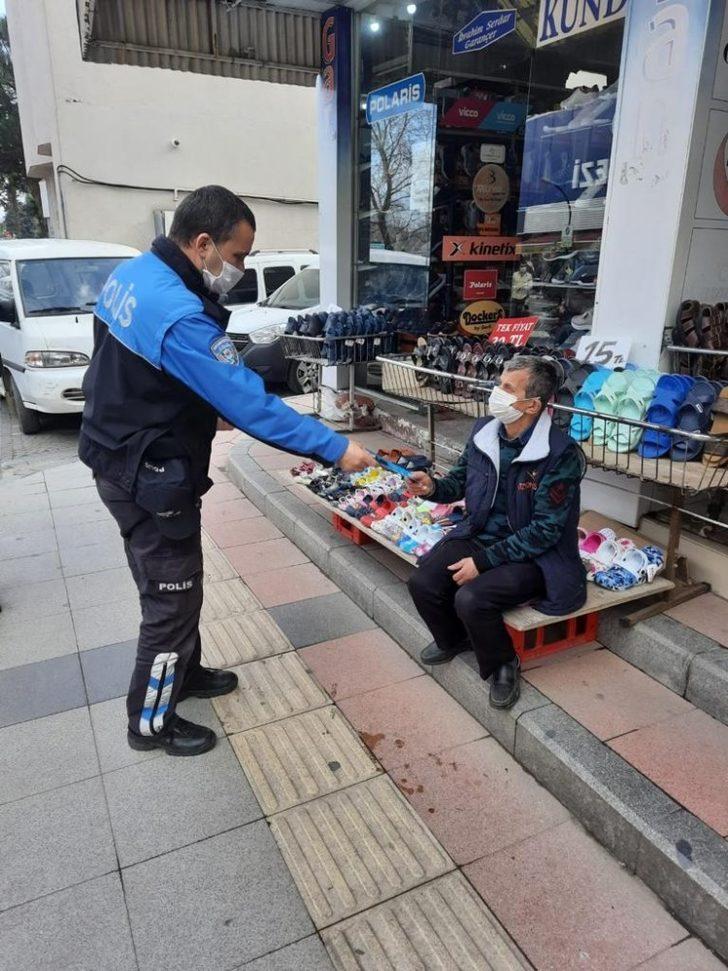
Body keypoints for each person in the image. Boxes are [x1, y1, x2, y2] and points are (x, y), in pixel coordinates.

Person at [79, 185, 371, 756]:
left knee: (177, 585)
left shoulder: (135, 273)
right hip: (145, 471)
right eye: (237, 256)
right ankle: (150, 721)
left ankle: (183, 674)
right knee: (172, 597)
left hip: (120, 450)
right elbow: (250, 404)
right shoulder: (180, 314)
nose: (237, 269)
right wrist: (335, 449)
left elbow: (118, 361)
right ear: (204, 242)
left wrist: (186, 409)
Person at [407, 356, 586, 709]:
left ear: (532, 404)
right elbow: (460, 479)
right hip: (479, 533)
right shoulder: (484, 431)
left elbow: (546, 532)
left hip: (535, 558)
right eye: (499, 384)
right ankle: (454, 639)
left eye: (507, 388)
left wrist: (482, 562)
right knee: (423, 582)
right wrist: (432, 487)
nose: (496, 393)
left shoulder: (560, 454)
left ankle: (502, 663)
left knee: (472, 598)